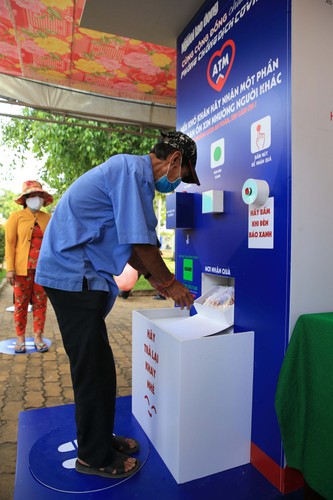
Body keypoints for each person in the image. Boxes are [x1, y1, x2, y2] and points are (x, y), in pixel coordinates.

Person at [35, 130, 200, 479]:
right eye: (182, 174)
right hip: (72, 275)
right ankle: (93, 457)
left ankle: (100, 438)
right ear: (173, 161)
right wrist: (170, 284)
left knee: (99, 366)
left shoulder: (131, 176)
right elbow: (140, 244)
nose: (179, 182)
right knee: (92, 368)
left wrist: (158, 281)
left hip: (78, 276)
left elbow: (131, 246)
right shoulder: (130, 173)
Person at [5, 180, 53, 354]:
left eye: (39, 196)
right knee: (20, 304)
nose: (37, 199)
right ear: (25, 198)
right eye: (33, 196)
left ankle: (38, 336)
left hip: (43, 269)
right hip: (21, 270)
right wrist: (9, 268)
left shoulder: (48, 218)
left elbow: (53, 243)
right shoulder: (16, 217)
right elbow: (9, 244)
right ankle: (20, 339)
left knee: (41, 303)